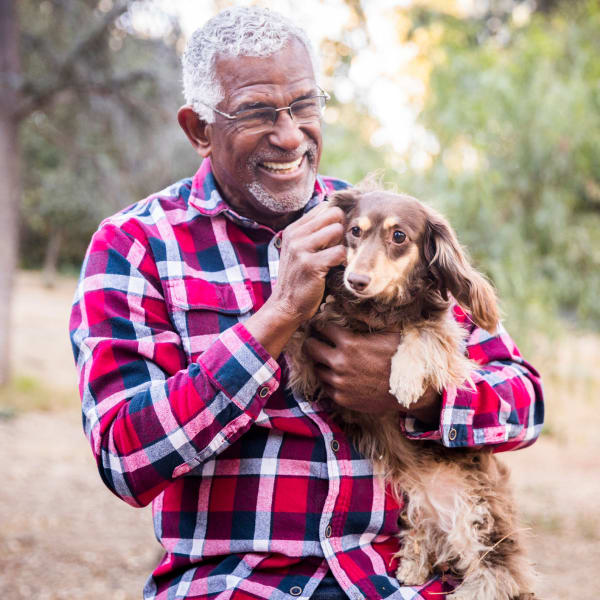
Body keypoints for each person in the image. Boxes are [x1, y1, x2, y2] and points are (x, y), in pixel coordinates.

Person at [69, 7, 543, 600]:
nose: (290, 134)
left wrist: (423, 398)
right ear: (198, 129)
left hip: (402, 579)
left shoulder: (378, 226)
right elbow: (125, 457)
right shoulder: (135, 246)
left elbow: (526, 403)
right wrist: (277, 317)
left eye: (304, 105)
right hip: (239, 584)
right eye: (257, 112)